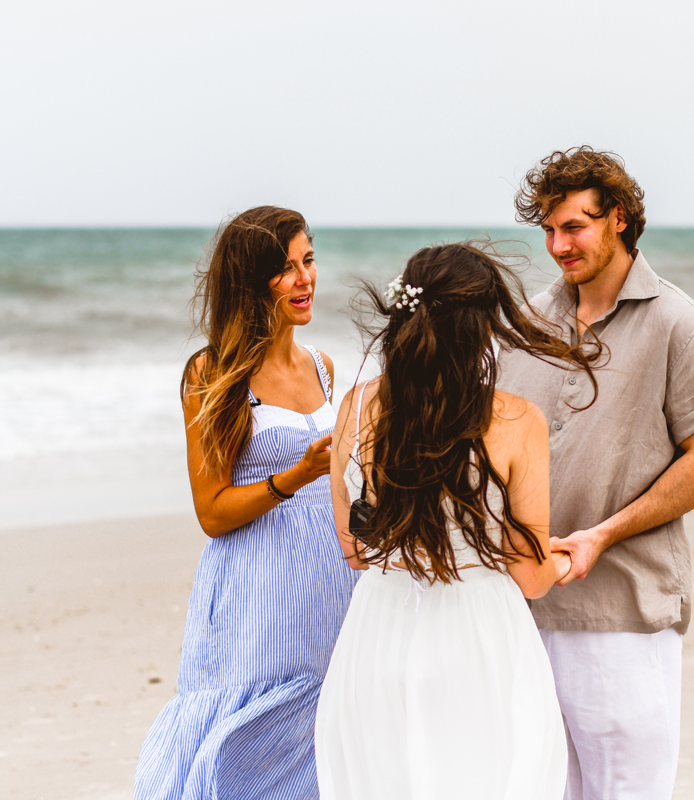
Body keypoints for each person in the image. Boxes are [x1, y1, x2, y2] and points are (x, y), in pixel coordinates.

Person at [498, 147, 694, 800]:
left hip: (622, 615)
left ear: (621, 220)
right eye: (548, 230)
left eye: (573, 226)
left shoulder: (682, 327)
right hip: (523, 612)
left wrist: (601, 534)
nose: (557, 245)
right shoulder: (526, 324)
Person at [315, 243, 599, 800]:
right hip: (476, 641)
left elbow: (354, 548)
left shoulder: (355, 404)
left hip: (376, 635)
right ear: (481, 328)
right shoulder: (516, 420)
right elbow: (531, 577)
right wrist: (567, 554)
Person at [134, 206, 361, 800]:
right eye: (285, 269)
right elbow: (211, 511)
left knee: (322, 739)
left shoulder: (324, 367)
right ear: (250, 281)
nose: (305, 279)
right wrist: (298, 473)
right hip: (255, 594)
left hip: (329, 584)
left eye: (308, 261)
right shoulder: (212, 373)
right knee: (247, 744)